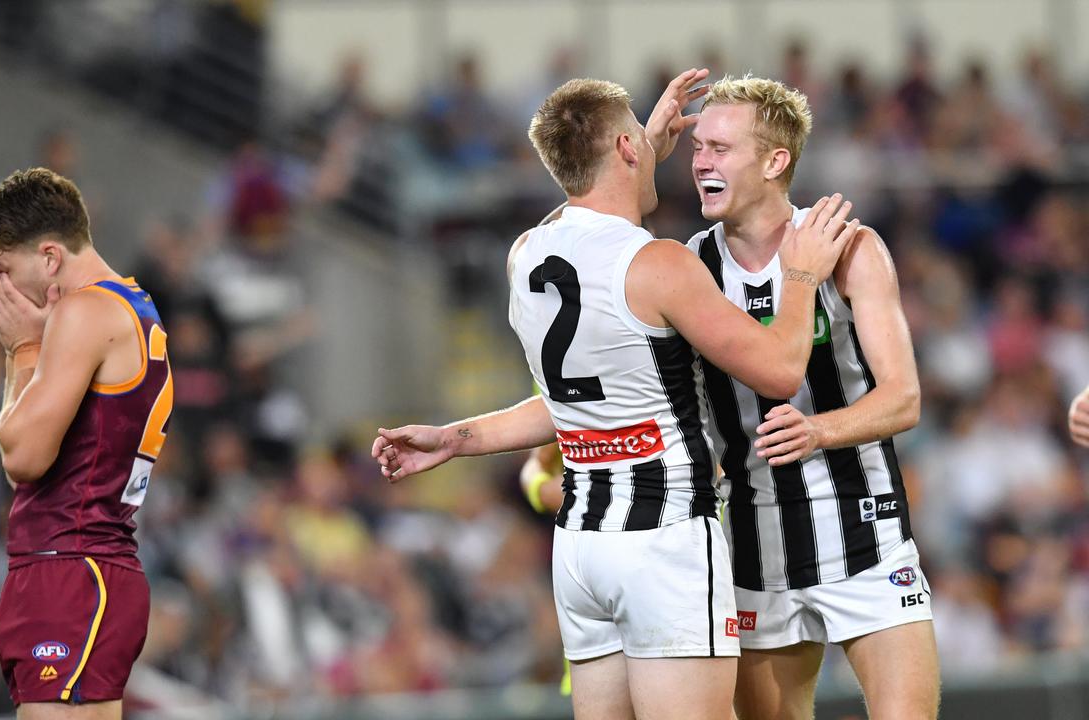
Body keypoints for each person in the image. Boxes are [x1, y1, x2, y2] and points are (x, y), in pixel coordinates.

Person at [373, 71, 859, 720]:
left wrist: (455, 437)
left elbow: (569, 401)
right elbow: (777, 370)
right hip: (662, 539)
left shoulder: (526, 253)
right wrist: (801, 273)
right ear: (627, 149)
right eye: (638, 133)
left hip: (582, 547)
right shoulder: (660, 264)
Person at [685, 76, 937, 720]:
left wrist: (819, 431)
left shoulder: (851, 249)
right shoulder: (687, 269)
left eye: (720, 147)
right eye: (697, 148)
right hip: (752, 536)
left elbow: (904, 399)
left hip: (865, 526)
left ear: (775, 162)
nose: (701, 162)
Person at [0, 168, 174, 718]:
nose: (0, 290)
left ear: (51, 257)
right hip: (85, 568)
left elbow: (23, 458)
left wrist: (23, 349)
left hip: (73, 569)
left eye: (5, 270)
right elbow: (26, 466)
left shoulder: (85, 313)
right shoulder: (130, 305)